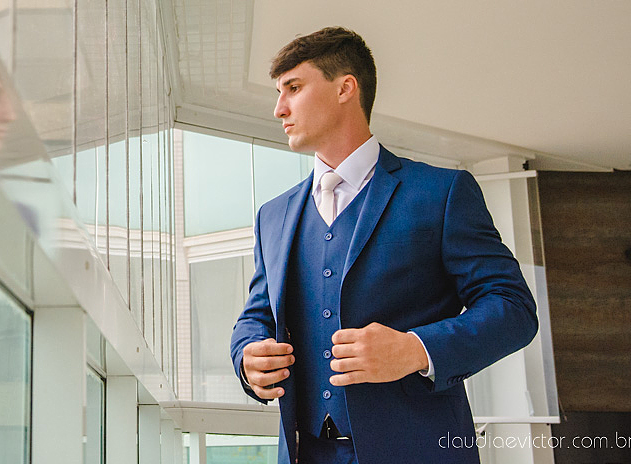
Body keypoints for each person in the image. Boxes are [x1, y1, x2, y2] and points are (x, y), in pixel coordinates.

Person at [230, 27, 538, 464]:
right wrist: (247, 357)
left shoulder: (441, 193)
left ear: (345, 88)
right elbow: (257, 316)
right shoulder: (273, 216)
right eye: (279, 93)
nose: (279, 108)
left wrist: (416, 349)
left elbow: (513, 307)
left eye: (293, 88)